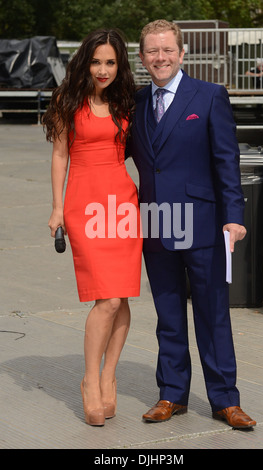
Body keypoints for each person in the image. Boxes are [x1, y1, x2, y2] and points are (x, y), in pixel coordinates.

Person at [128, 19, 256, 429]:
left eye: (168, 50)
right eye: (152, 51)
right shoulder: (136, 103)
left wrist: (234, 216)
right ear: (142, 57)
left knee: (213, 313)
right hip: (156, 224)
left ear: (182, 54)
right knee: (168, 314)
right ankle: (172, 394)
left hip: (203, 225)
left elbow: (226, 160)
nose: (160, 57)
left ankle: (224, 399)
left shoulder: (210, 95)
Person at [42, 29, 142, 426]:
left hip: (122, 205)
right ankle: (89, 380)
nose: (103, 70)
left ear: (120, 65)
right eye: (97, 61)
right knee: (107, 299)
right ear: (85, 62)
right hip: (84, 205)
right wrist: (56, 208)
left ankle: (108, 376)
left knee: (122, 297)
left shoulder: (126, 102)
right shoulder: (68, 100)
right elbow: (59, 156)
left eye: (111, 62)